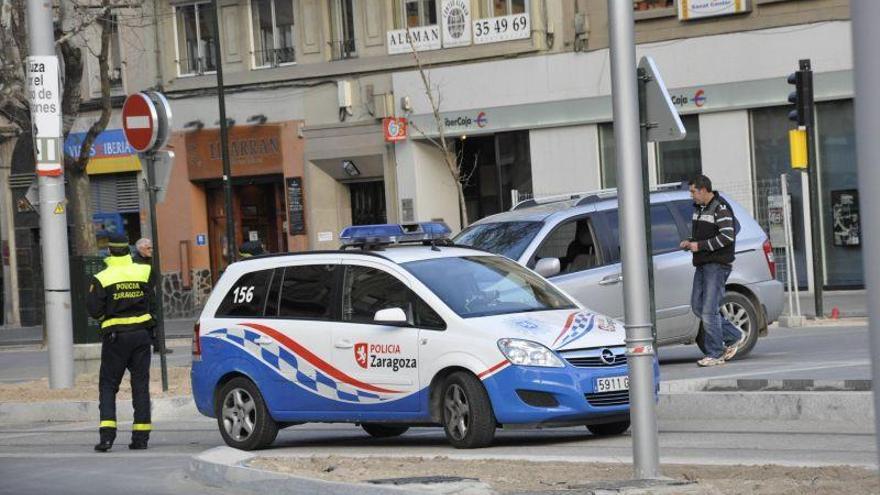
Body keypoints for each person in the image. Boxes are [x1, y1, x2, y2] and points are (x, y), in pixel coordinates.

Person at [87, 232, 155, 451]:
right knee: (141, 386)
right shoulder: (145, 271)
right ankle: (141, 438)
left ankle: (107, 437)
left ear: (109, 250)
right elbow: (152, 302)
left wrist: (108, 315)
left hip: (116, 338)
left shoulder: (102, 277)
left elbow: (94, 310)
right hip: (141, 335)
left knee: (108, 386)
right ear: (128, 249)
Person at [679, 175, 745, 367]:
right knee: (698, 306)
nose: (691, 196)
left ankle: (715, 353)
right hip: (702, 263)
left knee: (709, 310)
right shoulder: (698, 209)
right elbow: (703, 233)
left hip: (716, 265)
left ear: (704, 190)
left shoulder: (720, 207)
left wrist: (698, 246)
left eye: (693, 191)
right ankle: (734, 335)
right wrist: (690, 242)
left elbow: (727, 237)